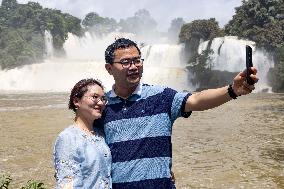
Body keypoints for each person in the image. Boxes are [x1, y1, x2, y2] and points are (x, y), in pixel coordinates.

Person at [99, 38, 259, 189]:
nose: (133, 66)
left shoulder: (162, 96)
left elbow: (196, 100)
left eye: (137, 60)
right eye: (125, 62)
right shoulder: (99, 106)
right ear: (109, 68)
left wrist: (232, 90)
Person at [53, 78, 112, 189]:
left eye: (103, 99)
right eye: (95, 97)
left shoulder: (100, 135)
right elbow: (66, 183)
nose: (100, 103)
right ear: (76, 101)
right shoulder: (68, 138)